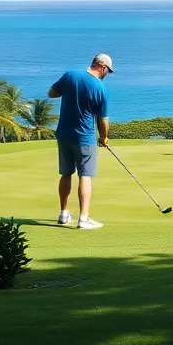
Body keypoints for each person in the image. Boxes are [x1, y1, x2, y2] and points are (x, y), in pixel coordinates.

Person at [48, 53, 114, 230]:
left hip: (63, 134)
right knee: (85, 175)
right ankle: (83, 219)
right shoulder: (101, 88)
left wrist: (71, 94)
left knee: (66, 173)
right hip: (85, 137)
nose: (107, 74)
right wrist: (104, 138)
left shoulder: (70, 75)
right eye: (108, 70)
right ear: (102, 67)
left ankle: (63, 214)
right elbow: (103, 121)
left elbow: (51, 93)